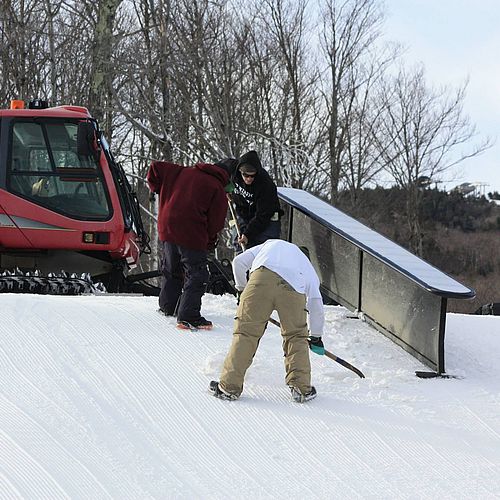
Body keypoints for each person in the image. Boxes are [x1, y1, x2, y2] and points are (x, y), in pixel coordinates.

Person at [209, 239, 326, 402]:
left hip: (260, 281)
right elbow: (316, 304)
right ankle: (301, 388)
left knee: (246, 334)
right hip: (293, 288)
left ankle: (228, 387)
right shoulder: (307, 267)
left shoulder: (270, 244)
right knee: (296, 337)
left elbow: (238, 262)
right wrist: (316, 337)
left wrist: (242, 290)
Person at [147, 157, 237, 330]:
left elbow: (155, 168)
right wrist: (209, 243)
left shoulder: (183, 170)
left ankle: (168, 307)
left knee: (172, 269)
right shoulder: (217, 187)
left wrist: (157, 190)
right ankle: (189, 316)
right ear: (229, 177)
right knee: (197, 274)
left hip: (167, 227)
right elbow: (215, 223)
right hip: (191, 232)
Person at [230, 150, 283, 249]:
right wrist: (225, 189)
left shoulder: (266, 185)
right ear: (240, 172)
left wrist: (248, 234)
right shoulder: (233, 171)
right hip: (244, 214)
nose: (249, 178)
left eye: (252, 175)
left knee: (264, 249)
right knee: (239, 244)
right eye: (246, 175)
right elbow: (219, 171)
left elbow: (263, 214)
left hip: (266, 219)